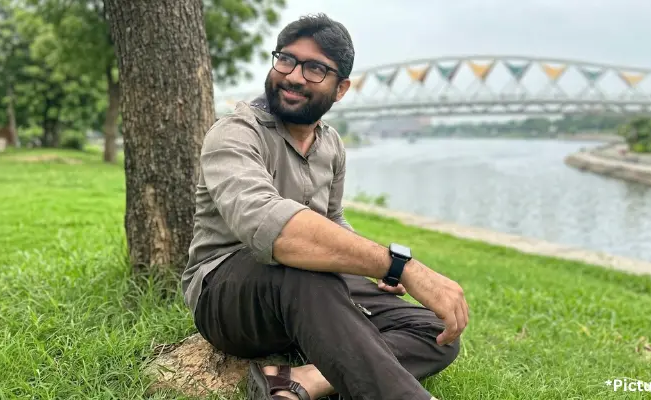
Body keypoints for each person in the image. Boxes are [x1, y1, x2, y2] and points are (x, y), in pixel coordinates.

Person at [182, 13, 469, 400]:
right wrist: (398, 264)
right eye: (286, 59)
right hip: (227, 297)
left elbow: (331, 219)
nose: (295, 76)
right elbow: (272, 231)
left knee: (436, 328)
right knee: (297, 265)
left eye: (315, 68)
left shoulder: (330, 145)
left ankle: (304, 378)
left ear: (341, 88)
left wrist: (372, 273)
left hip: (306, 291)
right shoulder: (234, 133)